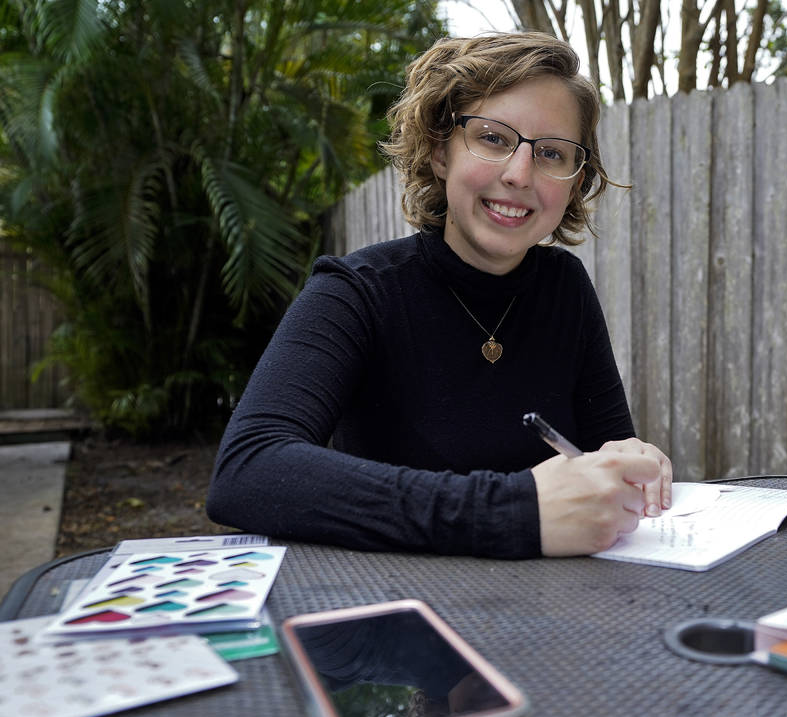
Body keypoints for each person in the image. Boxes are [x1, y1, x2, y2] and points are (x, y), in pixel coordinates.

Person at [206, 32, 671, 559]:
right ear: (440, 151)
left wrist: (627, 466)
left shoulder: (565, 287)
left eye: (550, 153)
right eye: (493, 138)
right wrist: (513, 511)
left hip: (544, 613)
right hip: (392, 611)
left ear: (573, 181)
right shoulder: (355, 292)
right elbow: (249, 470)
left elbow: (600, 465)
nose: (519, 174)